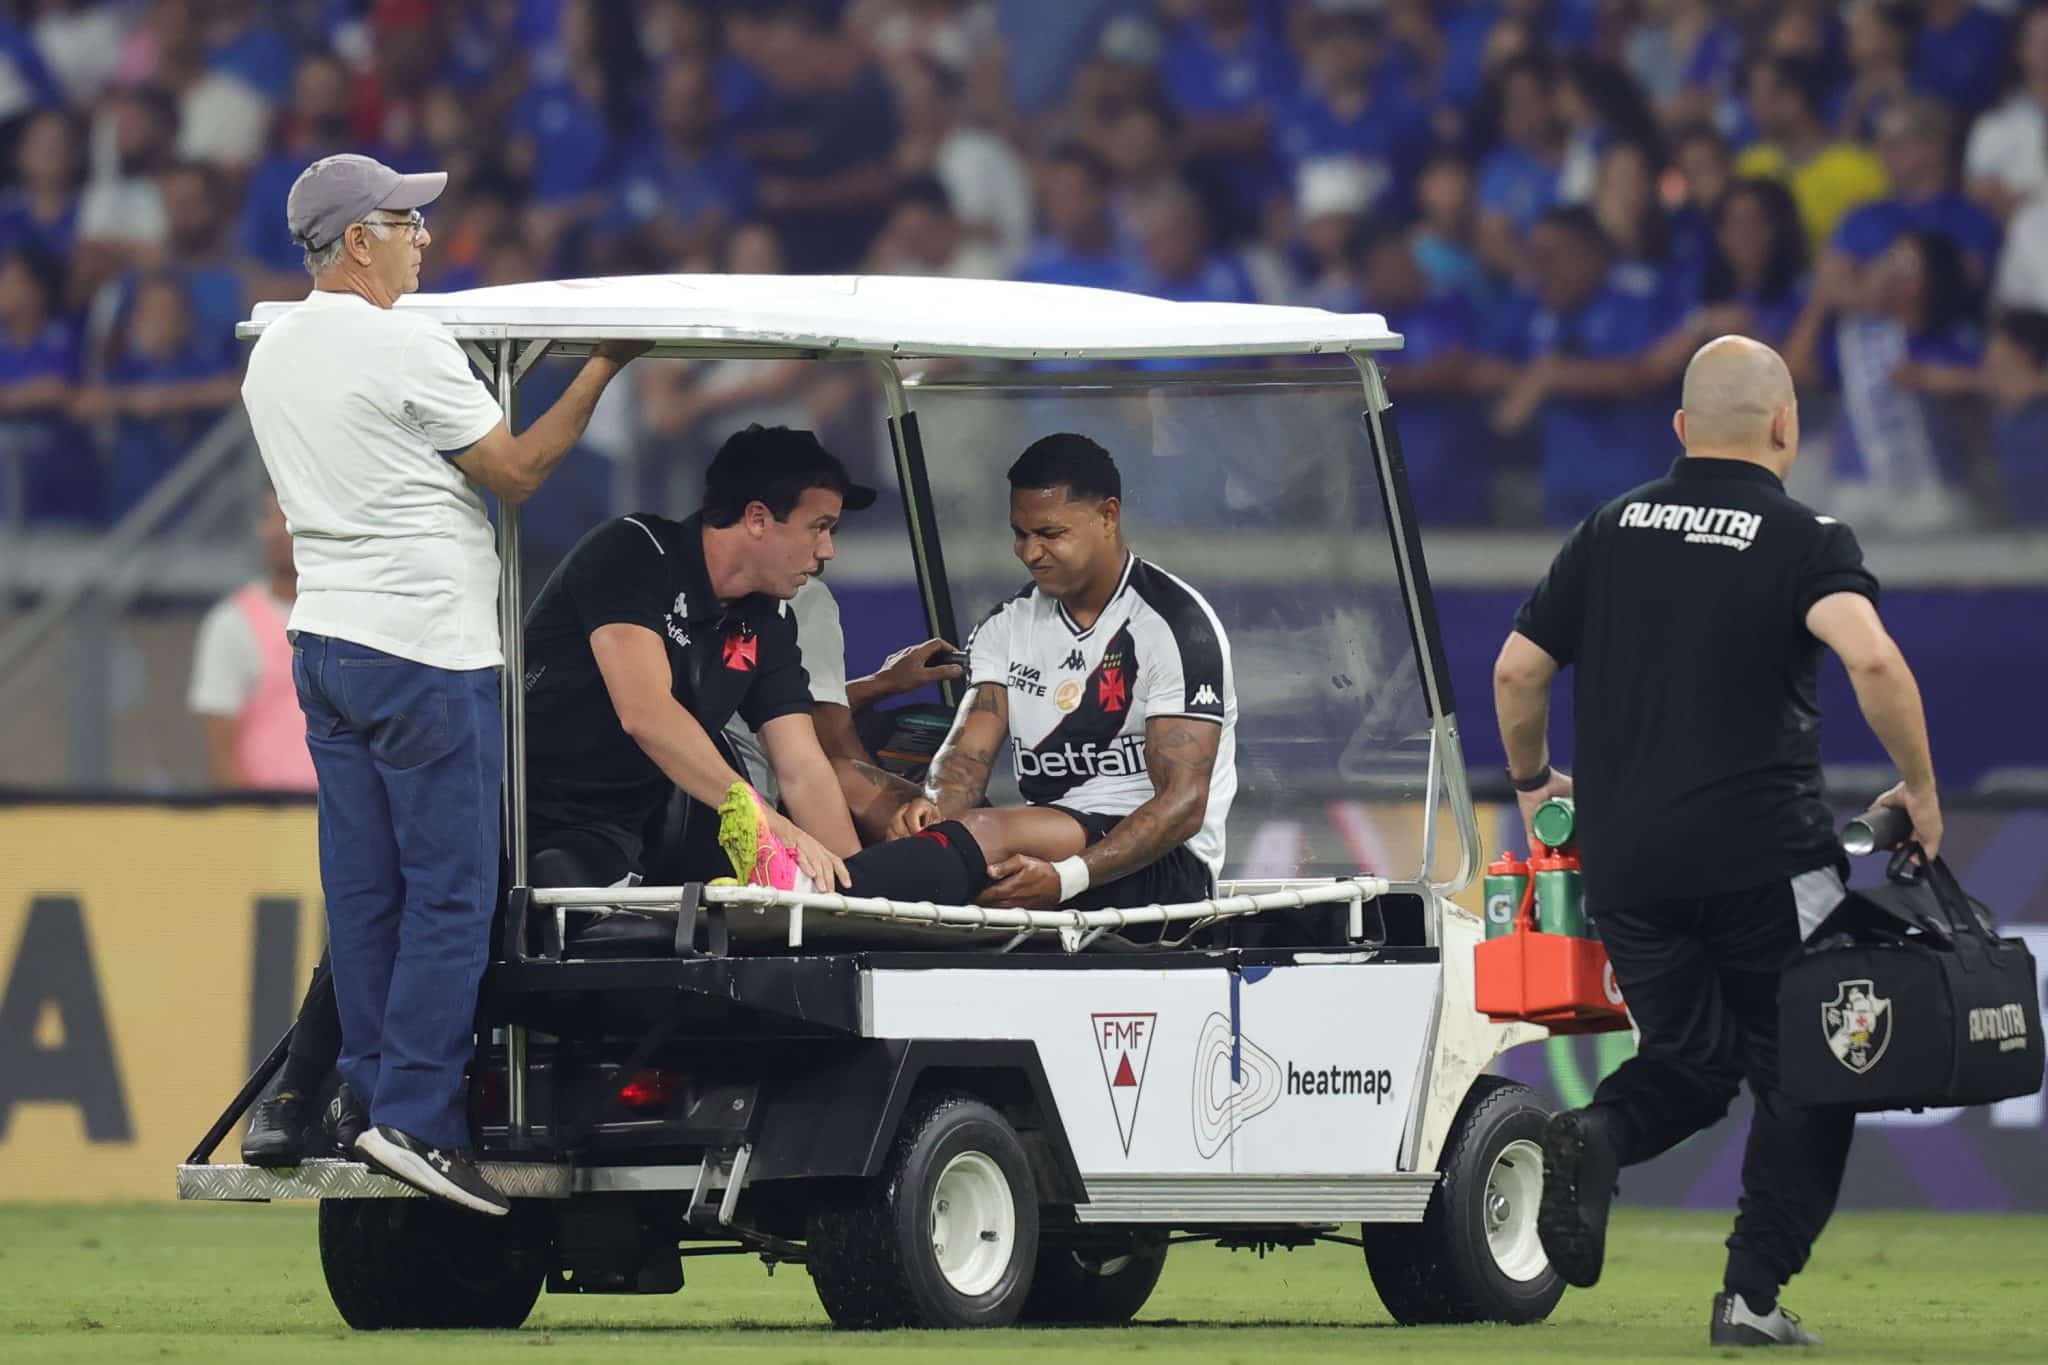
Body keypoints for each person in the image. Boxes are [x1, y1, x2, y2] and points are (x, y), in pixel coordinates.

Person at [1492, 335, 1942, 1347]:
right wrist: (1916, 787)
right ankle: (1749, 1299)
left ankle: (1594, 1133)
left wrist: (1531, 786)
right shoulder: (1803, 538)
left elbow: (1517, 673)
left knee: (1692, 1064)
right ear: (1784, 426)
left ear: (1680, 432)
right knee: (1812, 1070)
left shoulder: (1606, 530)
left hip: (1628, 869)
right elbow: (1871, 660)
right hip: (1763, 865)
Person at [238, 152, 645, 1213]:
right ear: (358, 241)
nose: (426, 237)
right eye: (406, 221)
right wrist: (601, 367)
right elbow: (515, 472)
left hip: (325, 643)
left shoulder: (269, 354)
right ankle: (416, 1120)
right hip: (425, 649)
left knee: (365, 892)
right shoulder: (405, 342)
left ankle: (368, 1098)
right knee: (454, 893)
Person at [726, 434, 1238, 922]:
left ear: (1108, 517)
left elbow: (1185, 805)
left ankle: (811, 896)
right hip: (1046, 830)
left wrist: (1067, 878)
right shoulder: (1005, 624)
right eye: (1020, 534)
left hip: (1154, 865)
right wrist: (933, 805)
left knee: (984, 829)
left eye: (1050, 534)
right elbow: (967, 758)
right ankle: (879, 885)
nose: (1030, 552)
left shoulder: (1173, 625)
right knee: (843, 779)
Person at [188, 491, 314, 790]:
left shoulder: (348, 619)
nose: (274, 531)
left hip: (342, 823)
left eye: (287, 517)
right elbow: (222, 753)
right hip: (268, 822)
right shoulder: (231, 624)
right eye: (269, 516)